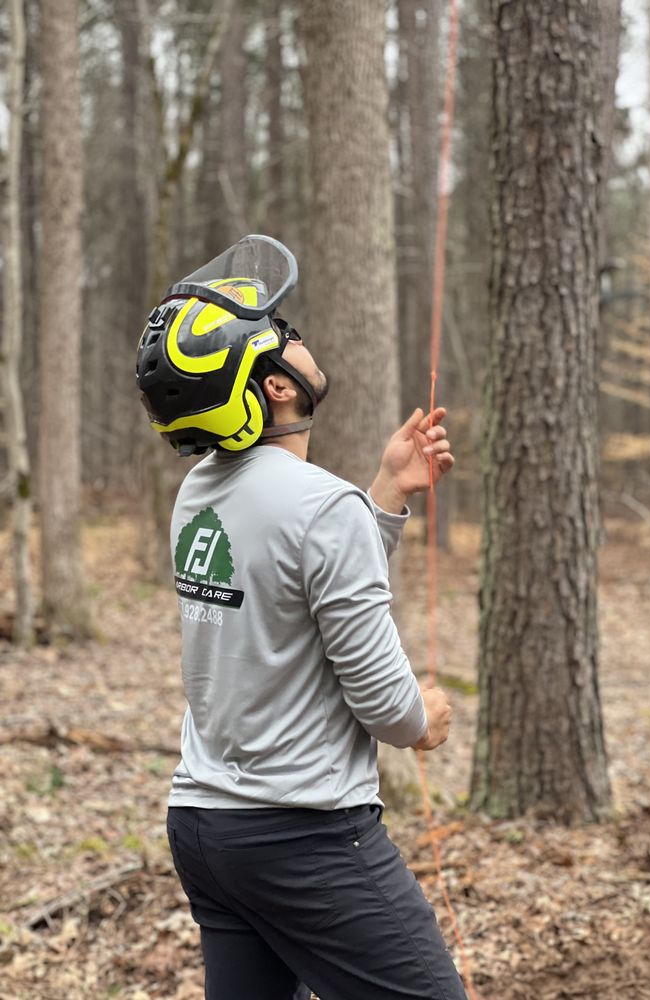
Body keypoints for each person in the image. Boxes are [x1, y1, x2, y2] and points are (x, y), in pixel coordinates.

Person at [136, 236, 468, 1000]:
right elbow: (386, 706)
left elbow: (295, 587)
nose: (299, 339)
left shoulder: (203, 492)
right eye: (283, 335)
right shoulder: (321, 508)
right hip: (303, 836)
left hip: (204, 827)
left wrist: (385, 493)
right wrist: (426, 719)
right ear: (277, 385)